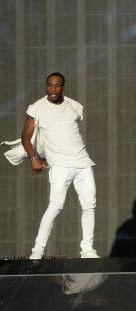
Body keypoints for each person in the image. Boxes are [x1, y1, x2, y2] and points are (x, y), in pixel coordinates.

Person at [20, 72, 99, 259]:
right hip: (60, 165)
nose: (53, 89)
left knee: (89, 206)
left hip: (82, 162)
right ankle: (37, 252)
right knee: (55, 206)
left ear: (62, 87)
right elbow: (25, 137)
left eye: (57, 85)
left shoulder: (74, 106)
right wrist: (34, 158)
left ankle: (87, 250)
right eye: (49, 85)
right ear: (45, 86)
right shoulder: (37, 108)